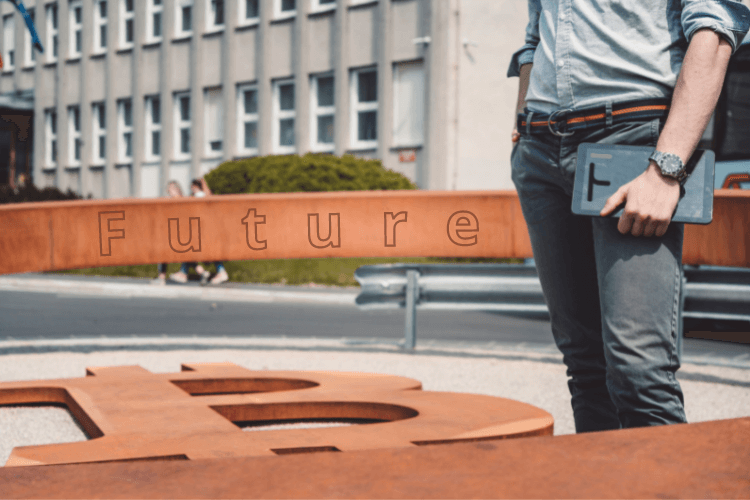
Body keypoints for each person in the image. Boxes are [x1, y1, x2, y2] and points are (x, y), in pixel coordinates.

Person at [508, 0, 749, 433]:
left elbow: (715, 28)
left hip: (632, 140)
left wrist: (667, 167)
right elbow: (534, 40)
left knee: (639, 373)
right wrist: (522, 119)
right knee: (584, 364)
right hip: (540, 146)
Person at [152, 180, 211, 285]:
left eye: (170, 189)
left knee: (163, 253)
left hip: (179, 234)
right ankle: (202, 272)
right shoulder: (183, 200)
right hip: (182, 234)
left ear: (176, 189)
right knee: (187, 256)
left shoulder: (178, 201)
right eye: (169, 189)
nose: (169, 191)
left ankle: (162, 277)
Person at [190, 177, 229, 285]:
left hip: (203, 229)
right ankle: (211, 272)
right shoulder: (203, 196)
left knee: (190, 252)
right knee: (207, 253)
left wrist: (203, 182)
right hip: (206, 228)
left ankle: (207, 272)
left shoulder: (197, 197)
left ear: (194, 187)